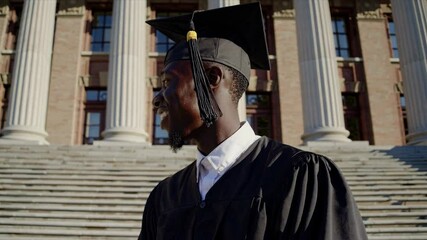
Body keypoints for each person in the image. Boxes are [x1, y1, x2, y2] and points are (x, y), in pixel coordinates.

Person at [139, 3, 367, 240]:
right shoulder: (165, 196)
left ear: (211, 78)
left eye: (167, 83)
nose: (156, 99)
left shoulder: (300, 178)